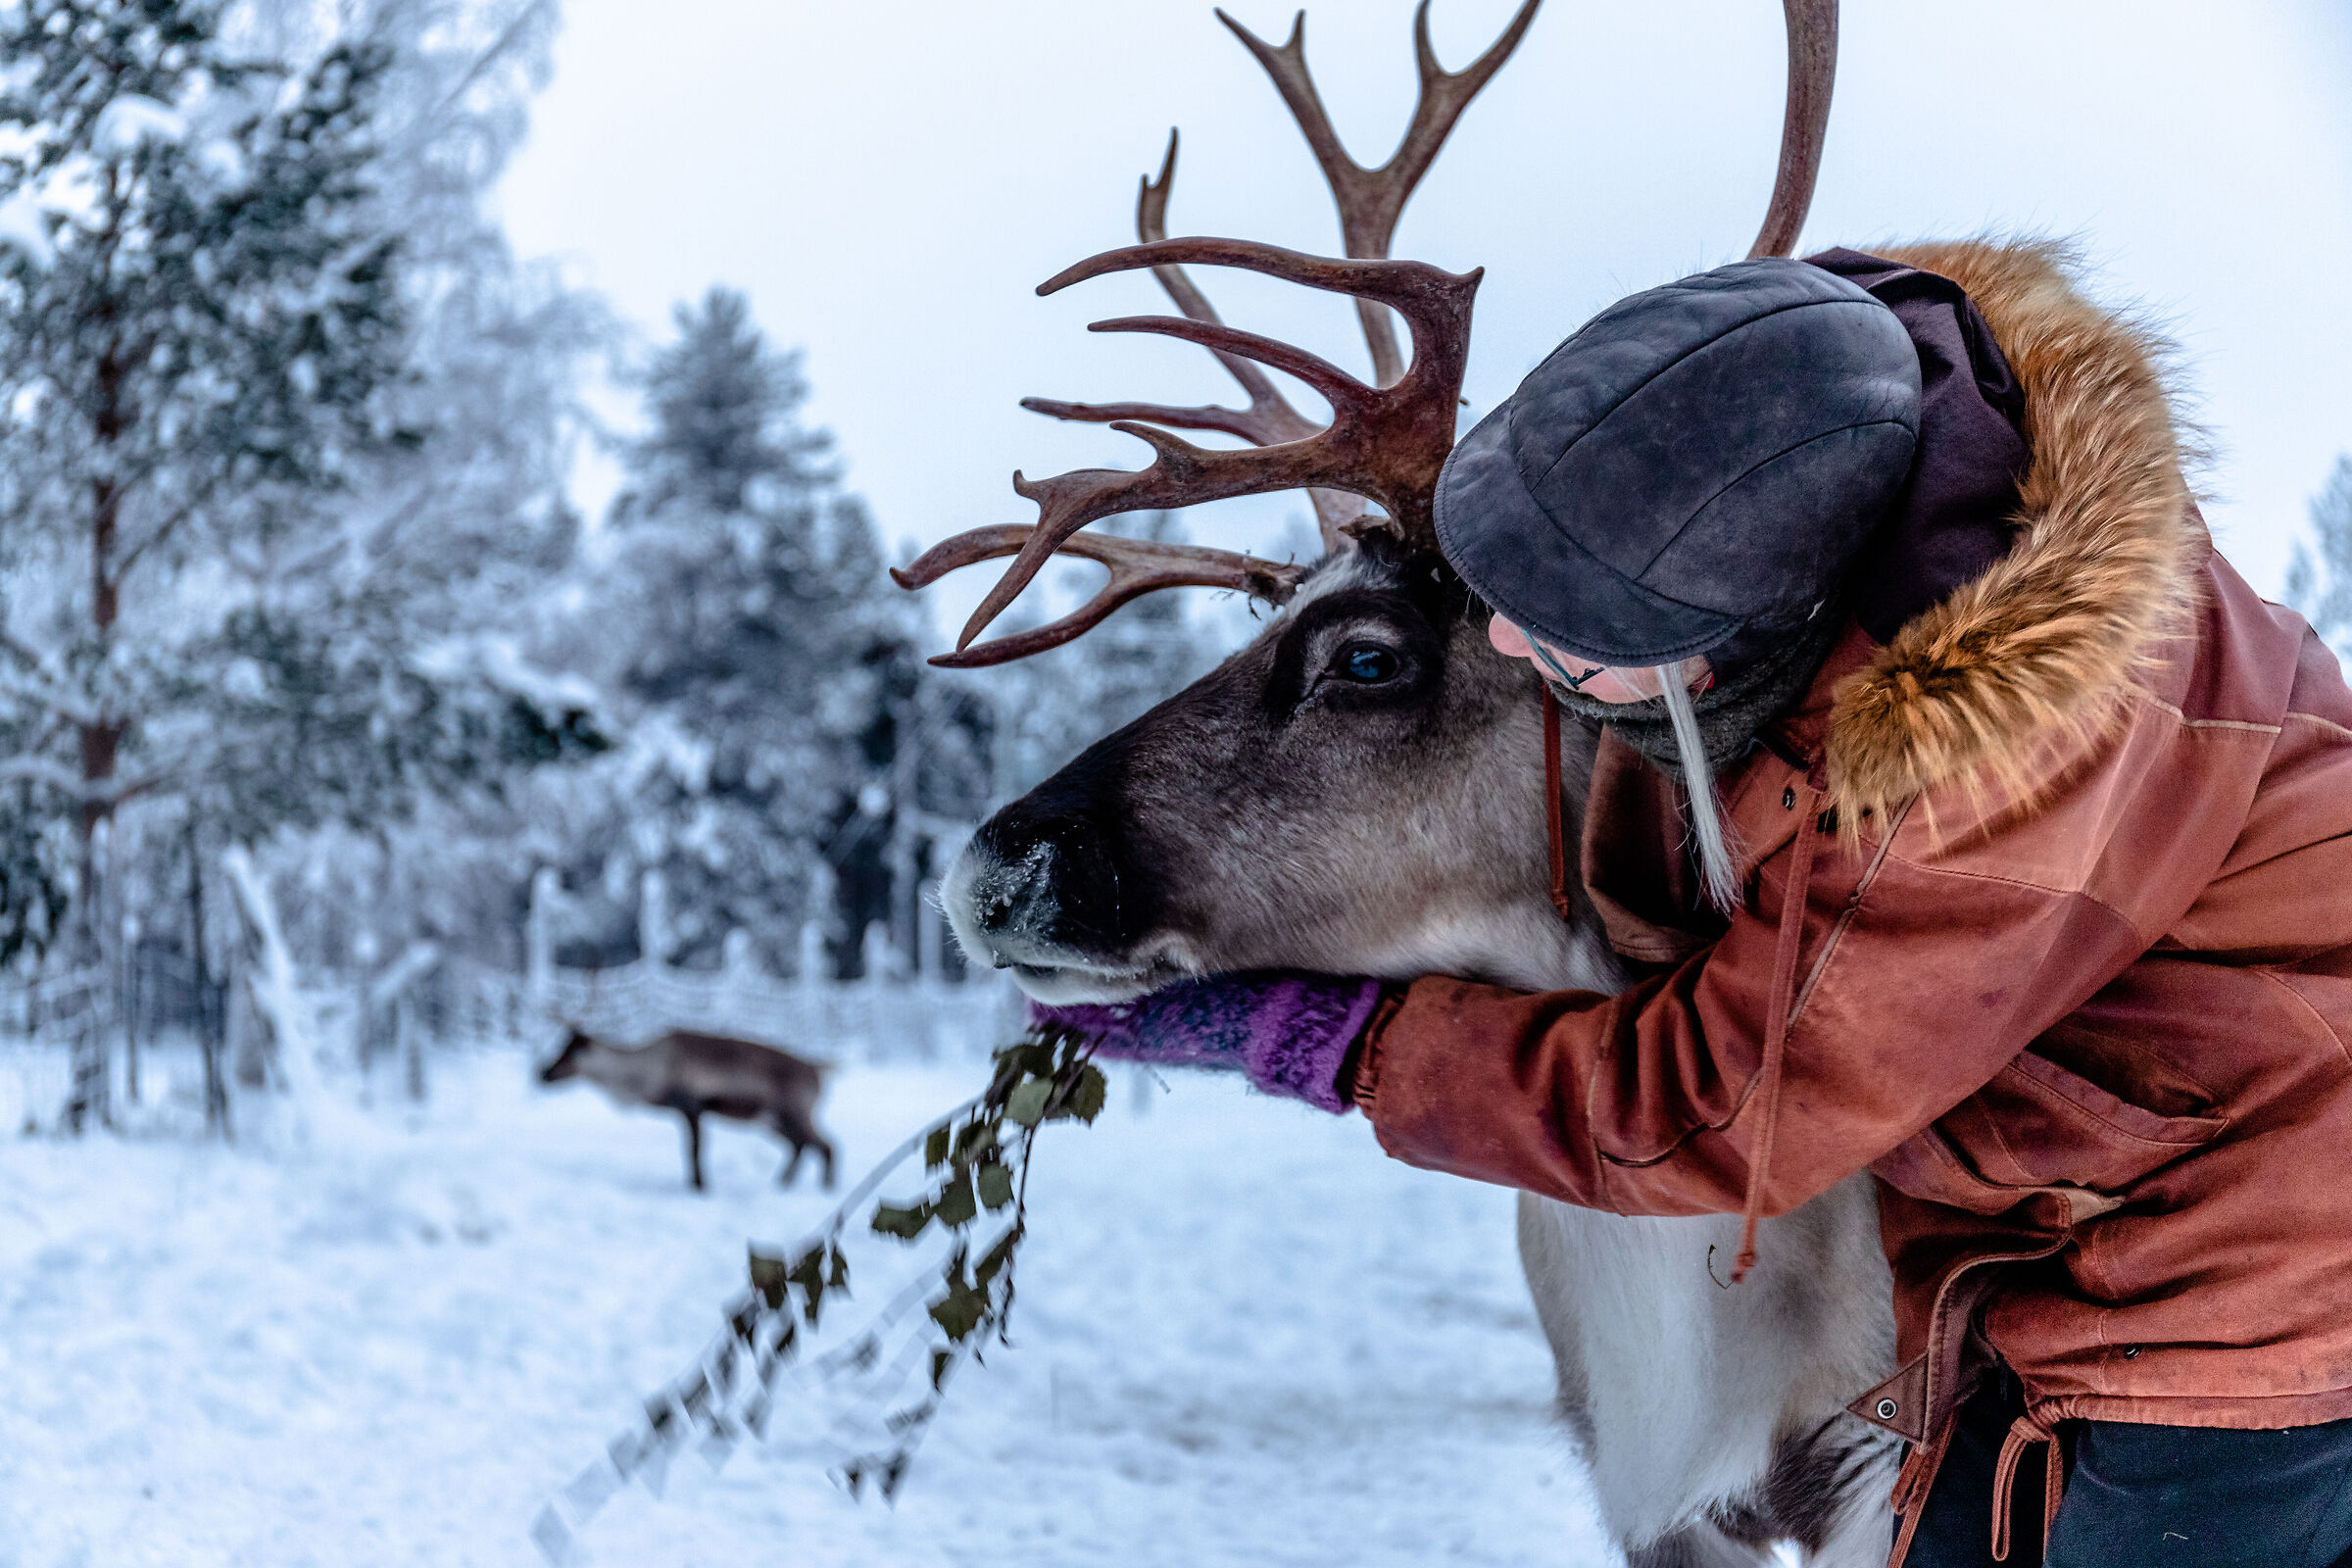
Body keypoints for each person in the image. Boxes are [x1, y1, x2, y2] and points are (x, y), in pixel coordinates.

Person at [1035, 242, 2352, 1568]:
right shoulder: (1832, 470)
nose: (1507, 646)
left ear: (1712, 649)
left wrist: (1334, 1045)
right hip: (2030, 1227)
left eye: (1561, 639)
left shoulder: (1964, 795)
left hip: (2254, 1270)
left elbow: (1721, 1109)